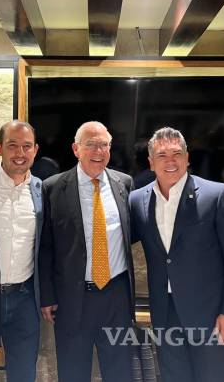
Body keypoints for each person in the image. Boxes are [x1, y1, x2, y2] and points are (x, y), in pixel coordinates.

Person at [129, 126, 224, 382]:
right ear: (151, 162)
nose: (170, 161)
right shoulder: (137, 200)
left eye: (177, 154)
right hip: (165, 313)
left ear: (187, 158)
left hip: (211, 315)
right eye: (162, 155)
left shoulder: (217, 195)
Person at [39, 121, 135, 382]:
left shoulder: (124, 184)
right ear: (76, 149)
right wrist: (47, 295)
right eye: (91, 144)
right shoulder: (52, 188)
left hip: (116, 297)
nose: (99, 151)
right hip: (73, 298)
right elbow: (45, 247)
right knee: (73, 371)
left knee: (120, 372)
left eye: (104, 145)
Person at [0, 120, 42, 382]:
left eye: (27, 146)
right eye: (12, 145)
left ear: (35, 150)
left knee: (24, 372)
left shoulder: (41, 190)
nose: (20, 153)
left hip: (25, 297)